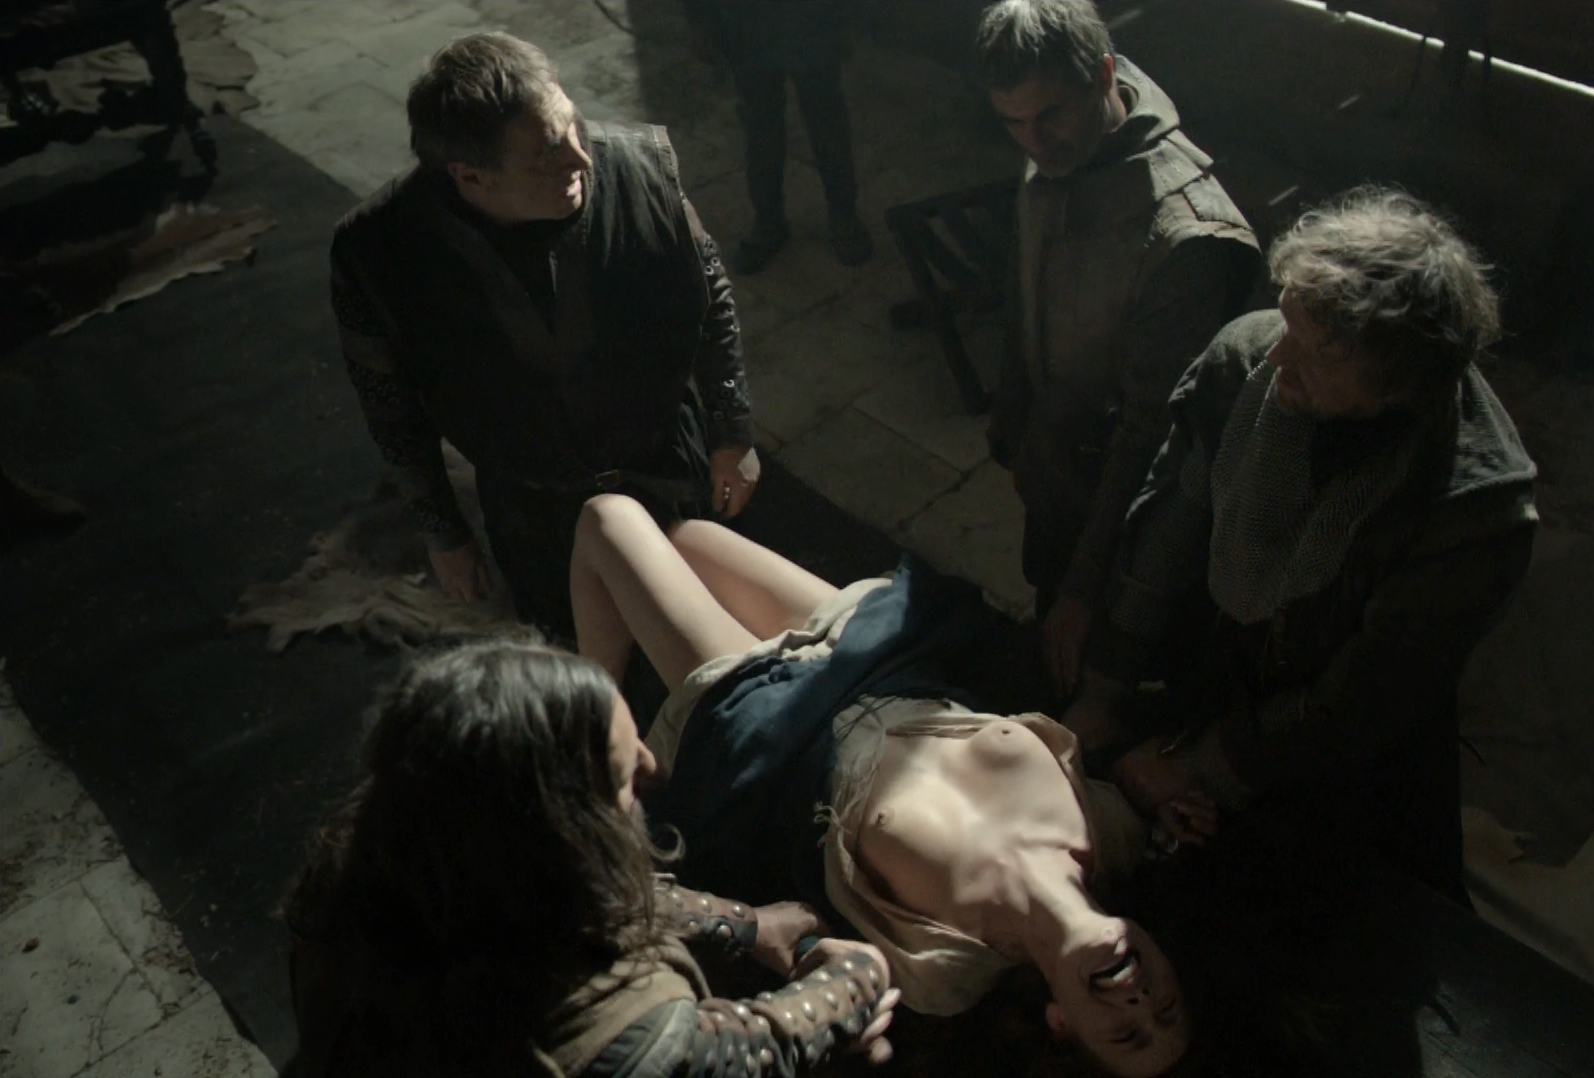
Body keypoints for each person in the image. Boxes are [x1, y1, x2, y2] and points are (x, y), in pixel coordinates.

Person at [567, 496, 1191, 1077]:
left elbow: (822, 943)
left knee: (609, 518)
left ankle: (587, 745)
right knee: (684, 538)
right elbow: (1138, 746)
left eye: (1126, 1034)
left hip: (779, 721)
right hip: (878, 652)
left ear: (1061, 1023)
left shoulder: (949, 973)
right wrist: (1172, 779)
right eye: (1164, 1008)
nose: (1139, 1003)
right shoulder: (1122, 832)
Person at [1068, 188, 1539, 900]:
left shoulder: (1470, 514)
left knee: (1332, 895)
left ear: (1394, 385)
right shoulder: (1249, 361)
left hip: (1341, 732)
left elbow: (1362, 698)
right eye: (1288, 322)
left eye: (1318, 353)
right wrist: (1106, 687)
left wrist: (1204, 764)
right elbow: (1167, 529)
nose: (1280, 353)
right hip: (1223, 656)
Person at [286, 641, 901, 1077]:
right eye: (623, 778)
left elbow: (563, 895)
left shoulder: (374, 860)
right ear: (562, 830)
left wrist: (745, 925)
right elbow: (767, 1043)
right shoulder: (610, 1038)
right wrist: (856, 976)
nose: (651, 766)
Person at [332, 33, 761, 640]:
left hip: (668, 469)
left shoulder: (639, 171)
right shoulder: (380, 252)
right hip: (535, 511)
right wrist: (444, 532)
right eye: (544, 154)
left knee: (708, 638)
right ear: (470, 176)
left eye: (572, 128)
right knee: (580, 652)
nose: (580, 160)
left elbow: (708, 292)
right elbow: (389, 405)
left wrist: (732, 428)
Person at [976, 0, 1262, 698]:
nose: (1034, 143)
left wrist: (1086, 587)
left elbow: (1155, 435)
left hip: (1128, 526)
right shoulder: (1057, 151)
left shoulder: (1183, 238)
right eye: (1013, 123)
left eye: (1049, 115)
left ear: (1104, 74)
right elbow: (1027, 284)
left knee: (1107, 682)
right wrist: (1013, 424)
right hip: (1056, 475)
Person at [684, 0, 874, 273]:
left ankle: (843, 216)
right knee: (761, 126)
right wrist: (700, 20)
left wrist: (848, 19)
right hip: (747, 24)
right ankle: (769, 220)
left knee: (825, 122)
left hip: (812, 21)